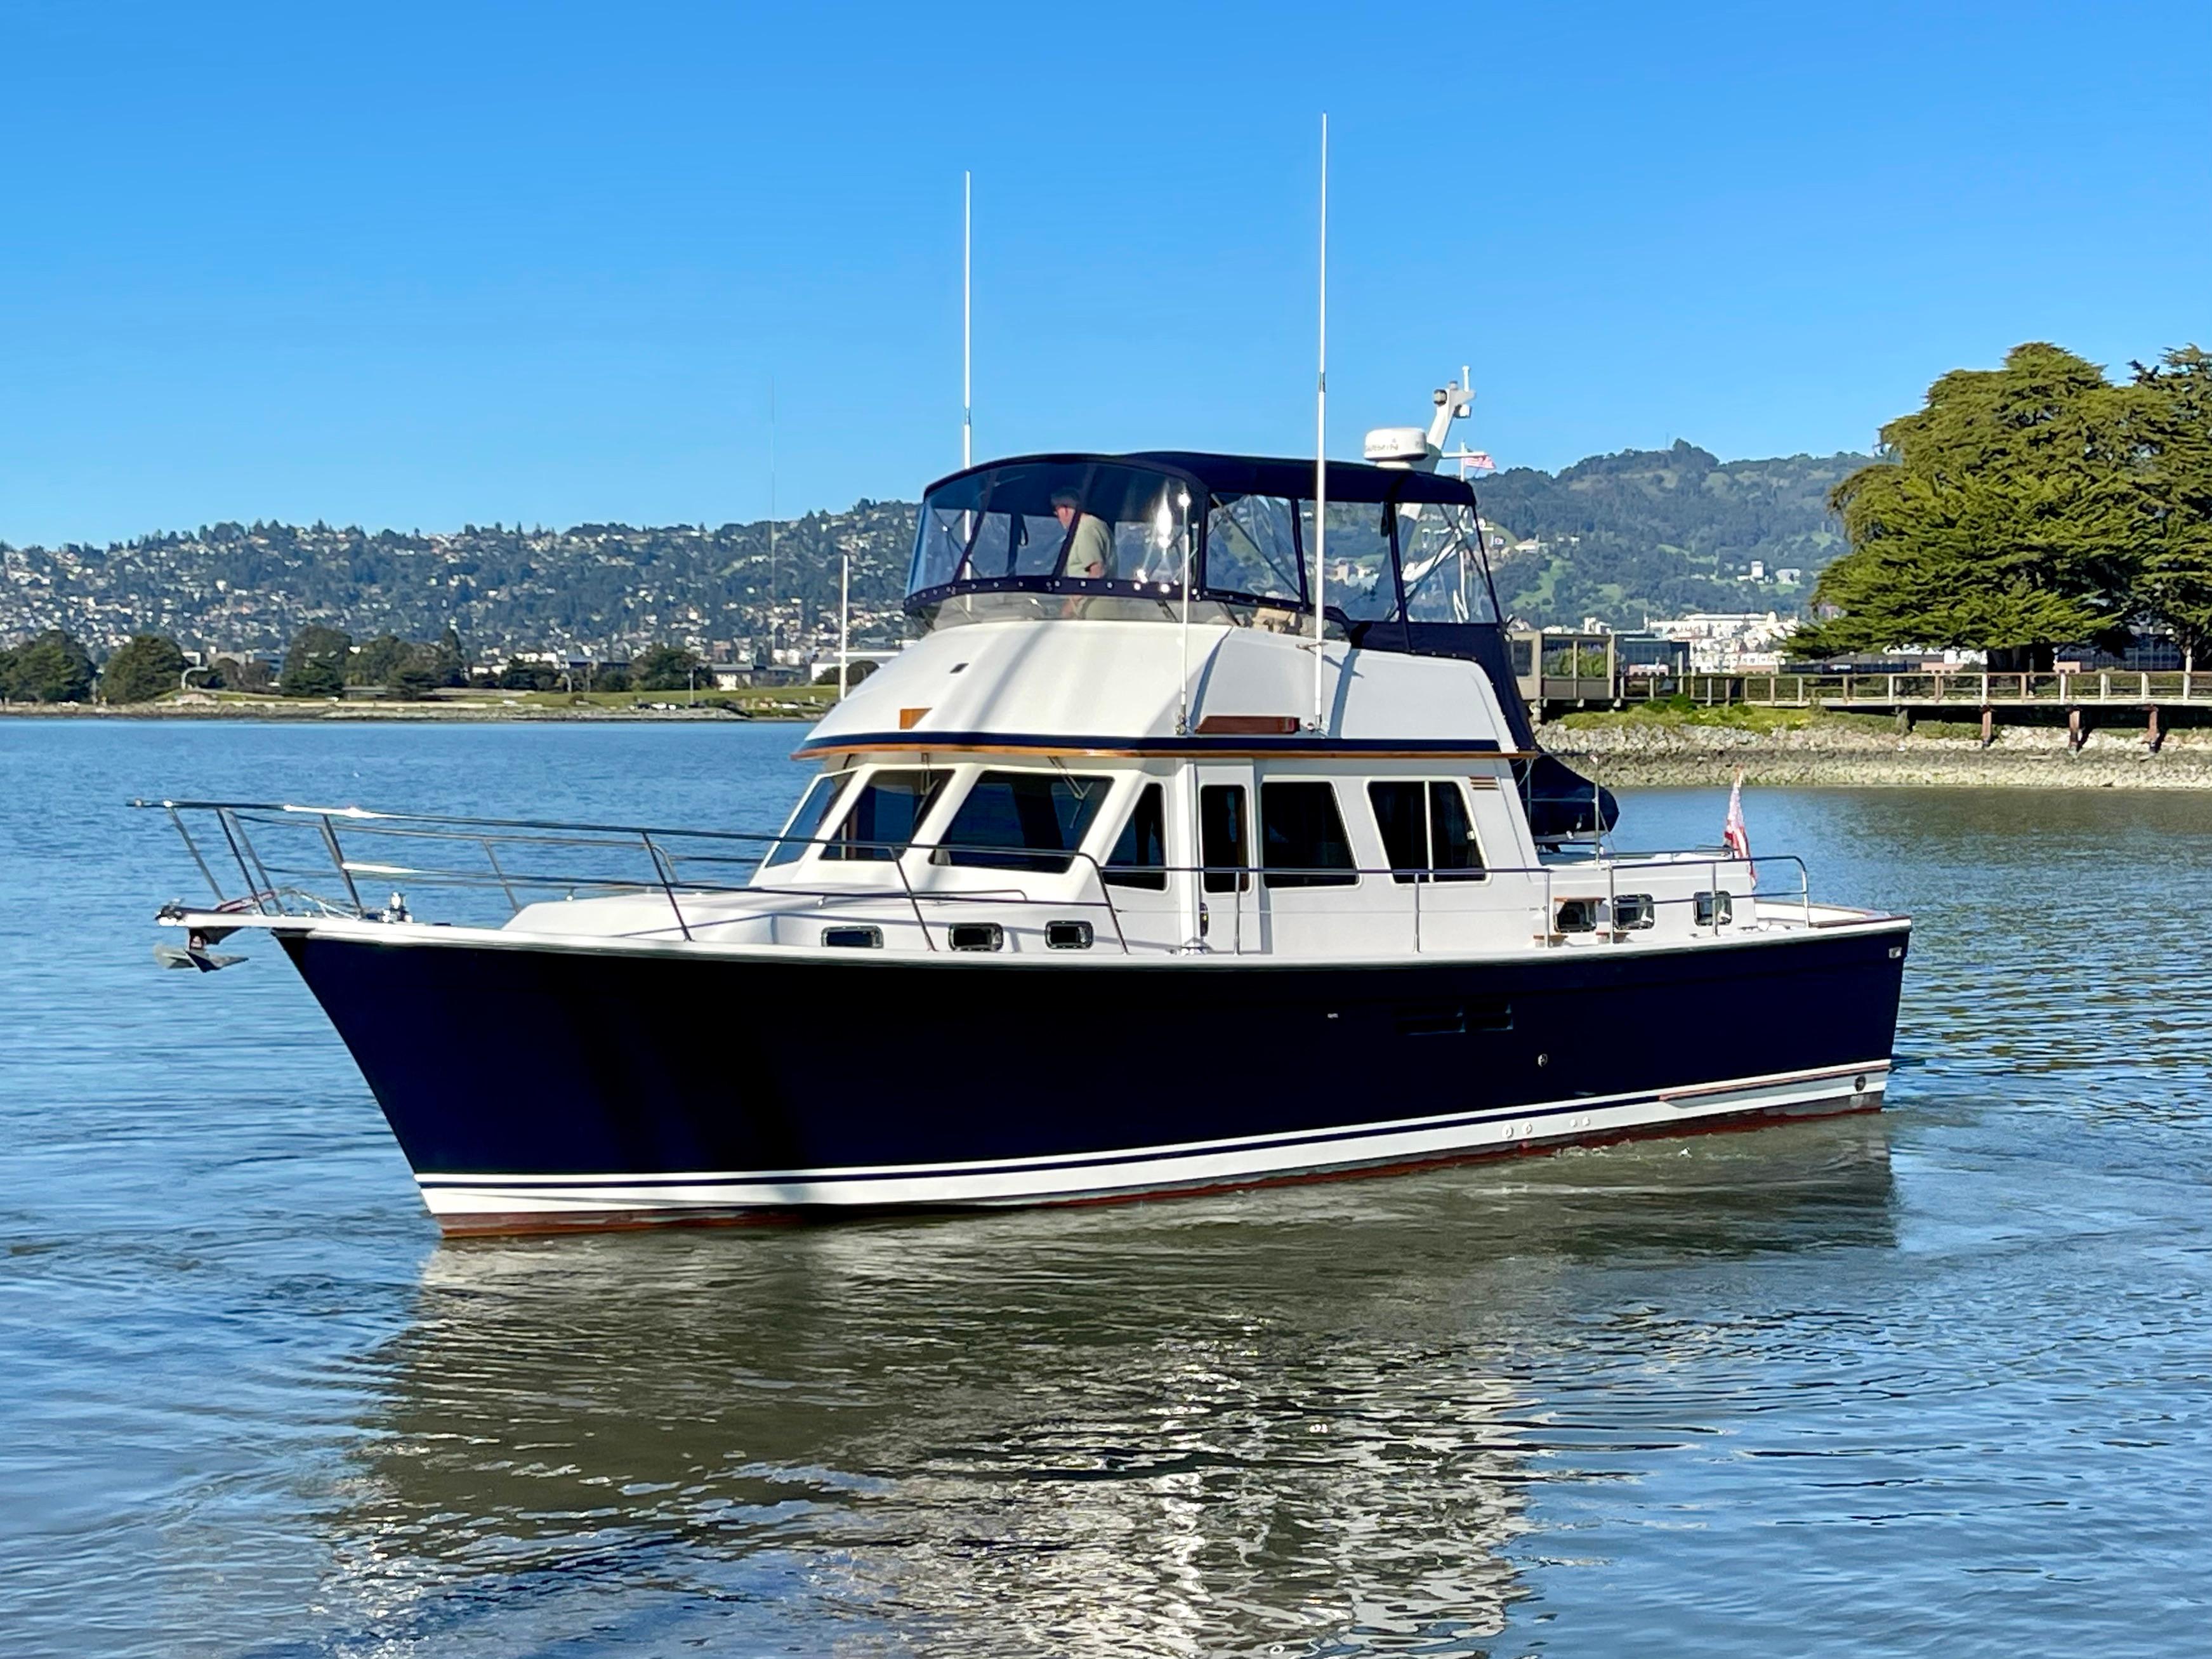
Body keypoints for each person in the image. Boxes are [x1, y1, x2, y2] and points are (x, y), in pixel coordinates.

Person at [1050, 489, 1115, 581]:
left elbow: (1097, 571)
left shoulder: (1084, 529)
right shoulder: (1096, 525)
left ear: (1064, 510)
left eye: (1057, 513)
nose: (1058, 518)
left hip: (1090, 595)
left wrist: (1078, 595)